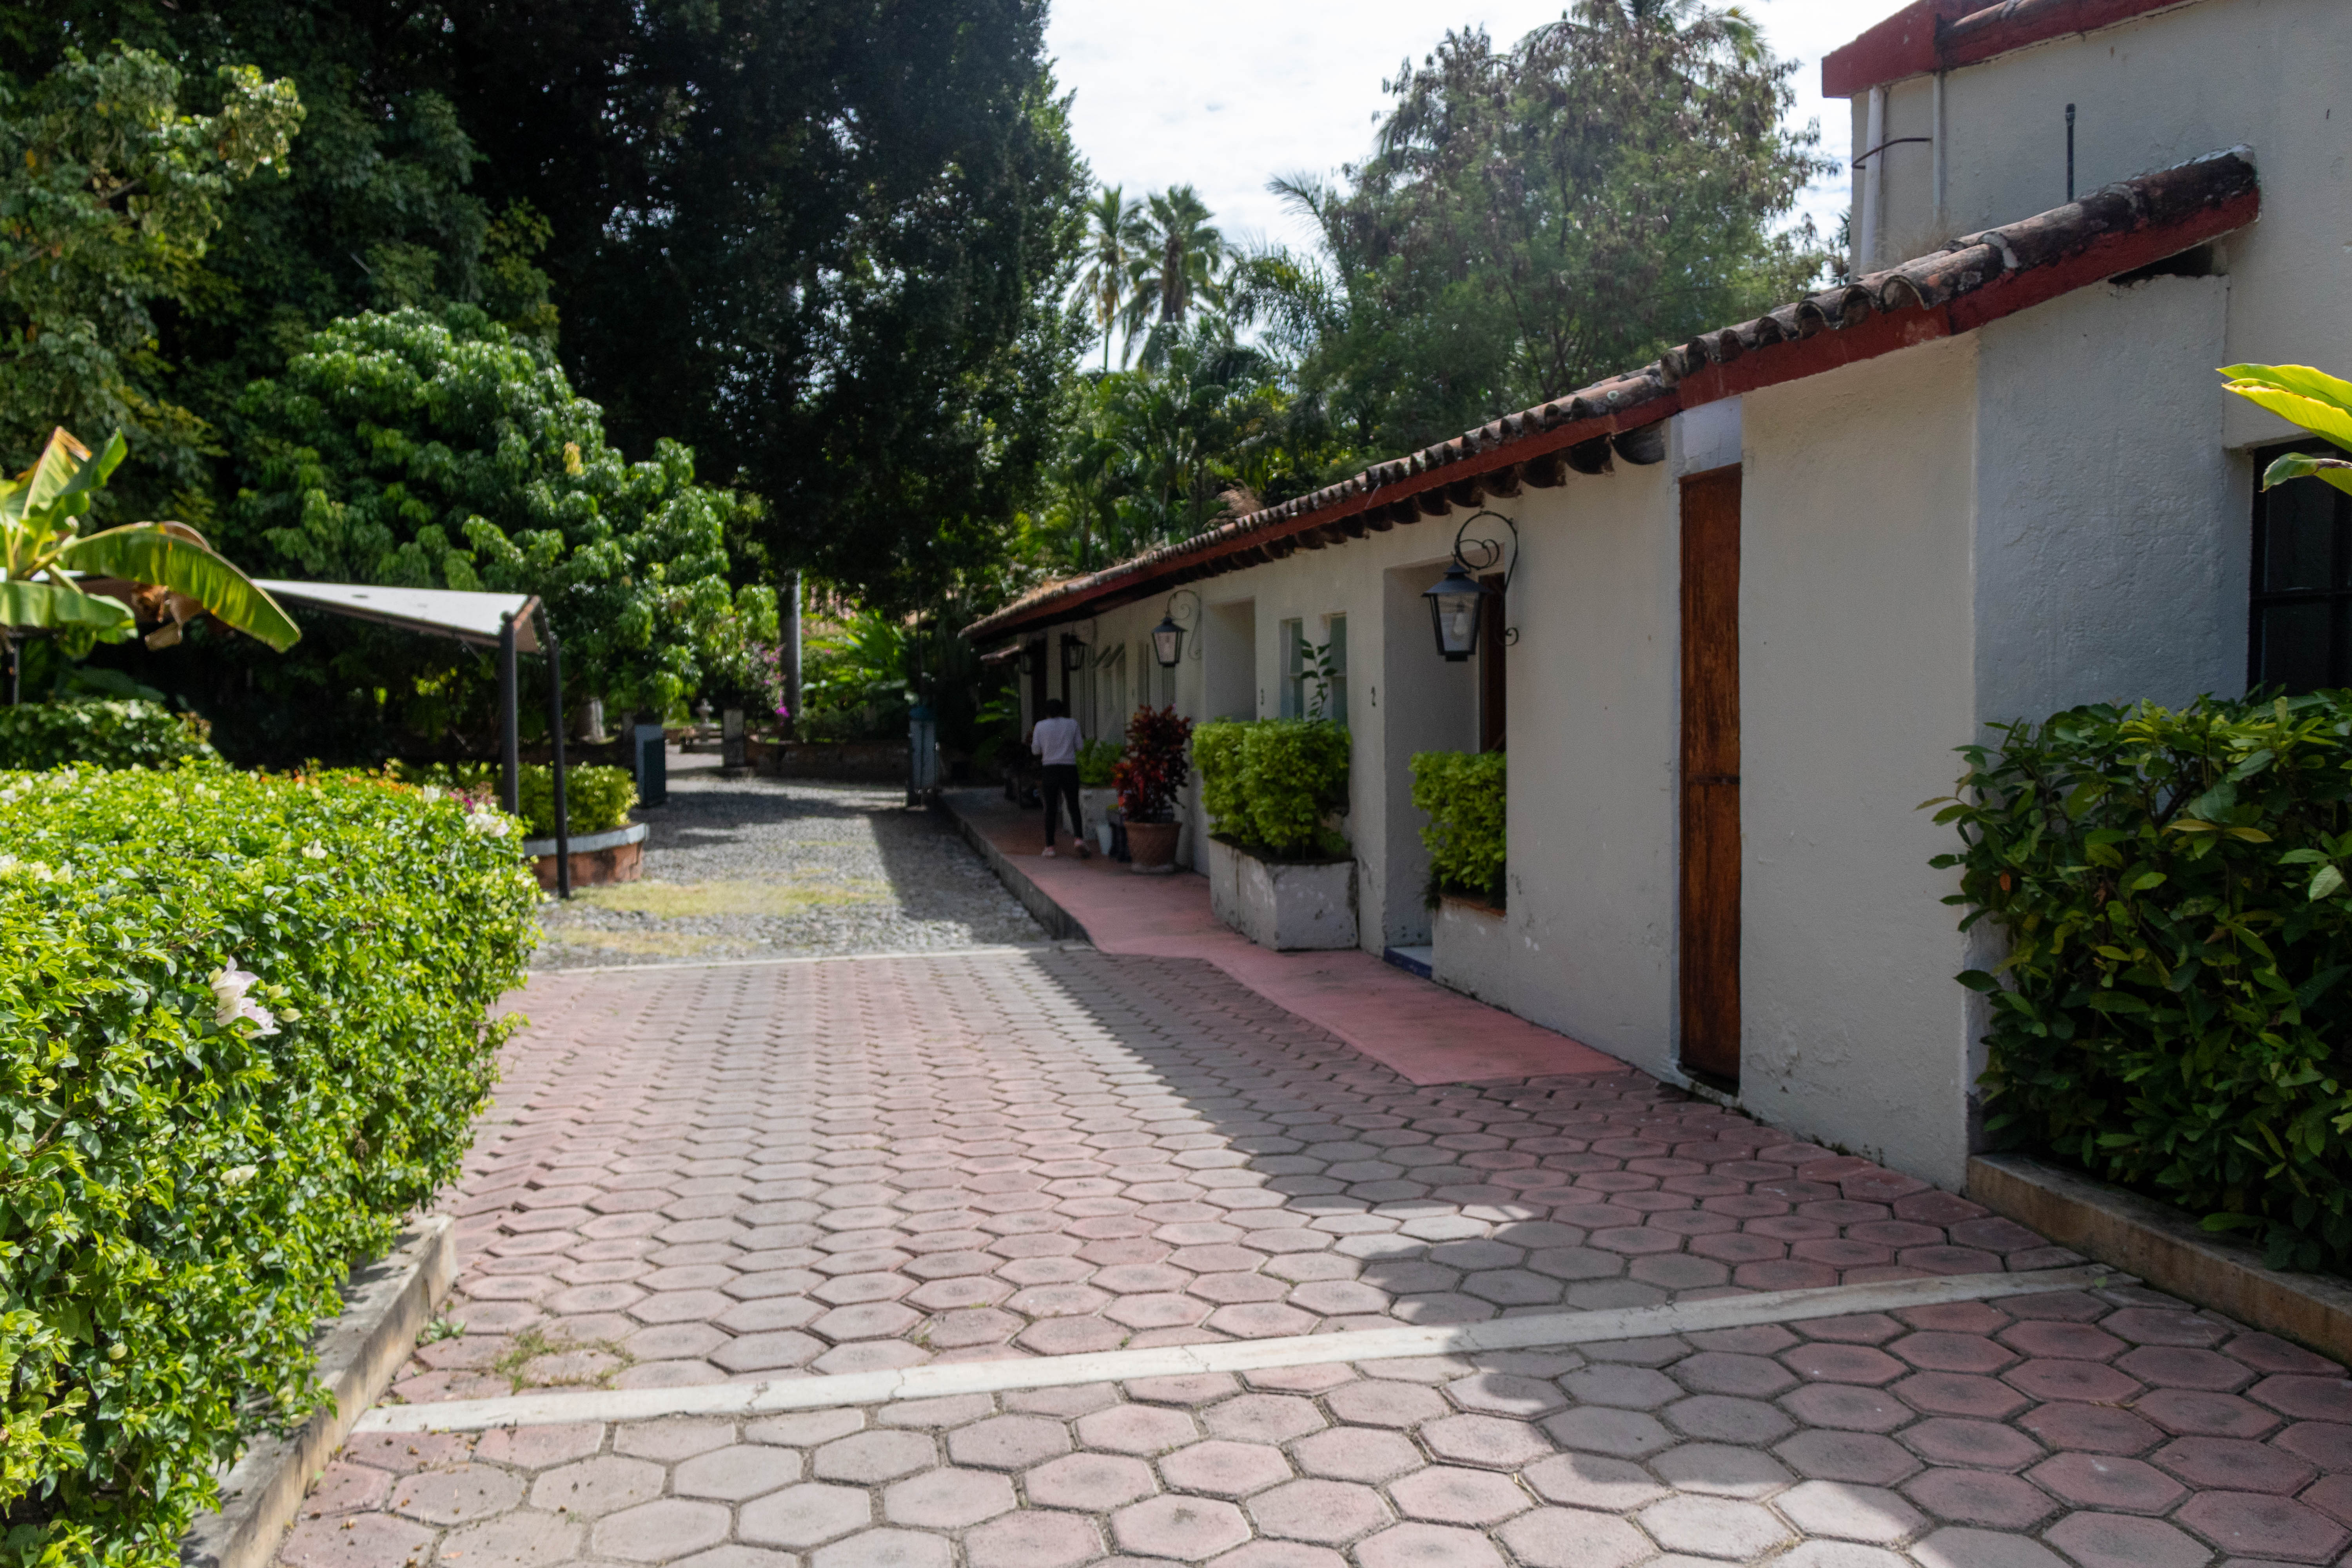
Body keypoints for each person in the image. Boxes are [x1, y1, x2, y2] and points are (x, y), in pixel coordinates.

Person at [1029, 698, 1089, 858]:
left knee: (1050, 808)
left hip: (1050, 769)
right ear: (1063, 711)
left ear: (1047, 712)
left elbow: (1035, 750)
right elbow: (1080, 747)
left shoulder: (1041, 726)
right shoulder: (1072, 724)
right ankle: (1078, 839)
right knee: (1073, 805)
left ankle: (1050, 847)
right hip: (1069, 768)